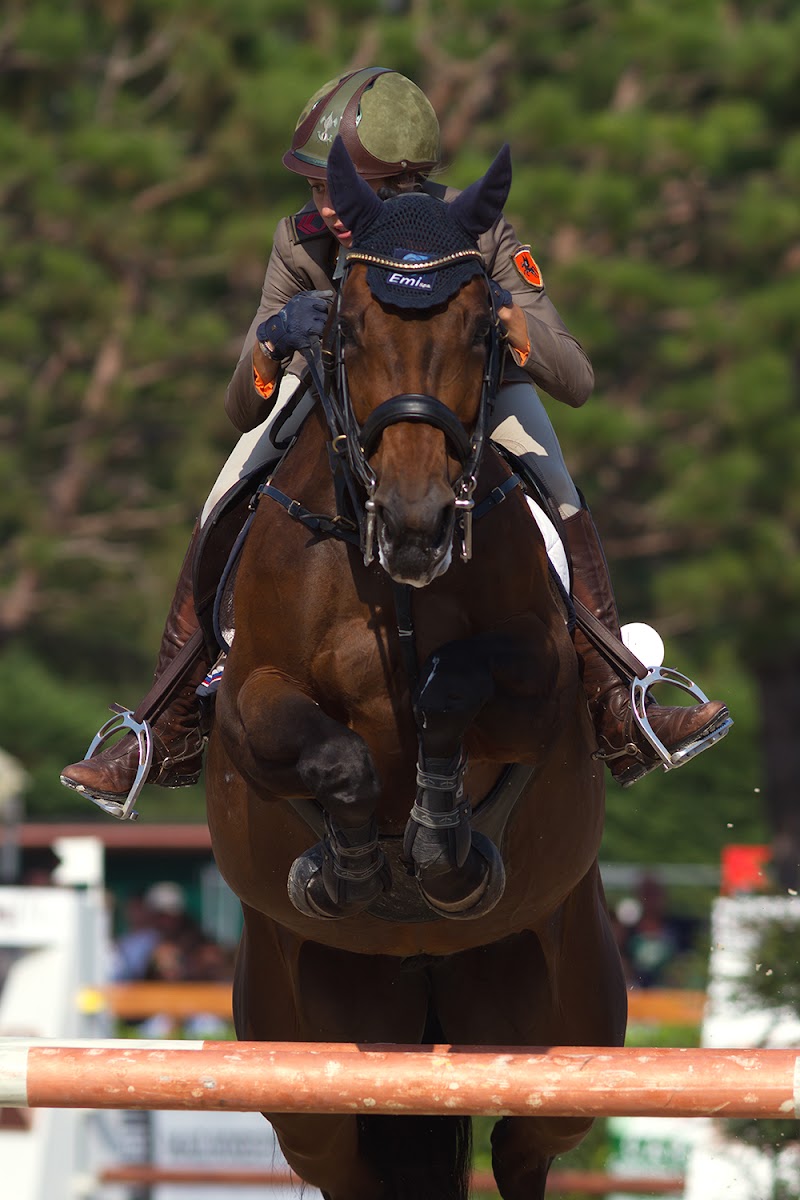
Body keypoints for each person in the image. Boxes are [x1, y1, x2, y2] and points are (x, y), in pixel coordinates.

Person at [60, 67, 730, 809]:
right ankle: (164, 724)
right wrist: (272, 345)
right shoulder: (300, 241)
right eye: (316, 189)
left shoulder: (479, 228)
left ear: (403, 184)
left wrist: (503, 317)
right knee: (224, 496)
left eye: (341, 190)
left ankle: (620, 704)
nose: (326, 208)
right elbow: (237, 410)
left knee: (558, 490)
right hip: (337, 396)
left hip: (471, 394)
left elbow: (575, 378)